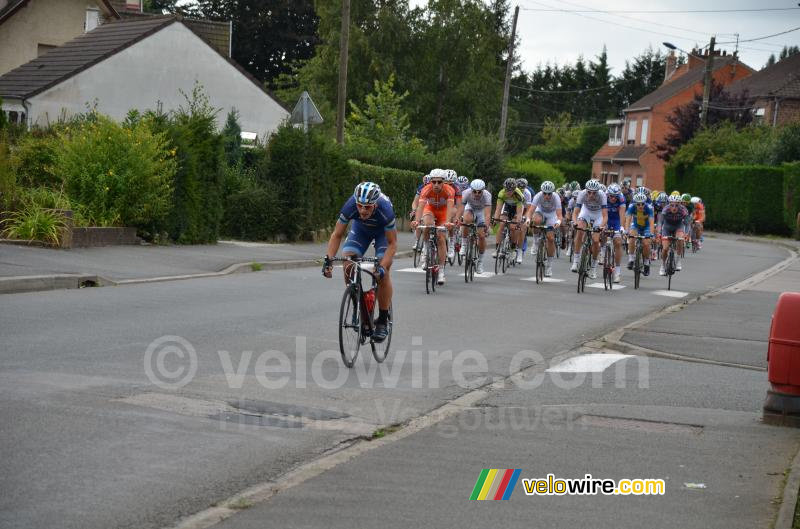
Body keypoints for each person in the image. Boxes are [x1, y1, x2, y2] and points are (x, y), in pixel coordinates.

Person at [323, 182, 397, 342]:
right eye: (360, 206)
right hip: (360, 231)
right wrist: (328, 259)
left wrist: (383, 267)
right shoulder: (350, 206)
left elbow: (392, 244)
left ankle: (383, 321)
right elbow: (337, 235)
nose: (363, 210)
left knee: (382, 273)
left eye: (368, 207)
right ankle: (358, 303)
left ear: (375, 205)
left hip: (382, 234)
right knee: (348, 260)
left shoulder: (385, 210)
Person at [411, 172, 455, 284]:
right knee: (427, 224)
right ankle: (425, 250)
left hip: (443, 212)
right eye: (433, 182)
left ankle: (441, 271)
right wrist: (416, 221)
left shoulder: (449, 190)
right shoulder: (426, 189)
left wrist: (448, 222)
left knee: (441, 237)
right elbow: (420, 207)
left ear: (443, 182)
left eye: (439, 182)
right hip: (430, 209)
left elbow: (450, 208)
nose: (436, 184)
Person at [571, 179, 607, 279]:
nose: (591, 195)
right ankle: (576, 261)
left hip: (598, 215)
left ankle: (594, 267)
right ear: (586, 190)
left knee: (596, 240)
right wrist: (575, 222)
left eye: (594, 193)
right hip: (586, 211)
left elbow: (605, 216)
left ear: (597, 191)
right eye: (589, 192)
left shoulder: (602, 195)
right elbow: (575, 212)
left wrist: (601, 227)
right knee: (579, 231)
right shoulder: (582, 194)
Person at [457, 178, 492, 274]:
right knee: (466, 220)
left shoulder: (487, 195)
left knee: (481, 236)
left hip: (481, 211)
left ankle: (480, 262)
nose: (477, 194)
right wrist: (458, 219)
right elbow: (461, 208)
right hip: (470, 208)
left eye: (479, 192)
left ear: (483, 190)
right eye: (474, 192)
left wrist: (486, 226)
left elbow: (487, 214)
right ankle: (464, 244)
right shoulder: (466, 193)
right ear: (471, 190)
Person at [530, 180, 563, 277]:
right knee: (536, 221)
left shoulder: (556, 198)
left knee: (550, 238)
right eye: (545, 193)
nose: (547, 196)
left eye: (549, 194)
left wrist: (558, 222)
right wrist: (528, 219)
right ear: (542, 192)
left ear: (552, 193)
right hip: (540, 212)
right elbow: (530, 211)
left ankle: (549, 265)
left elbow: (560, 215)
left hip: (552, 215)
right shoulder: (538, 196)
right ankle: (536, 242)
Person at [493, 178, 525, 260]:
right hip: (506, 207)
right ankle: (497, 249)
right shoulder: (501, 193)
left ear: (514, 189)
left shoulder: (518, 195)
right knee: (502, 224)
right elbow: (498, 209)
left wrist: (518, 222)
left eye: (511, 190)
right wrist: (495, 219)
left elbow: (519, 212)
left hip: (516, 209)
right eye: (507, 190)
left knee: (513, 227)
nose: (508, 192)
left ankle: (513, 249)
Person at [624, 192, 655, 276]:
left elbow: (652, 222)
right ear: (635, 204)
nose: (640, 206)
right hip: (636, 226)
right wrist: (626, 231)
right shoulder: (631, 207)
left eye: (642, 204)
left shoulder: (649, 208)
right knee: (631, 237)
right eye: (638, 204)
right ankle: (631, 259)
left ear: (645, 203)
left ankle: (646, 263)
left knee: (646, 243)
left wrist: (651, 234)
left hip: (646, 227)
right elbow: (628, 219)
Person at [658, 195, 689, 275]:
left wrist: (686, 234)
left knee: (680, 239)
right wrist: (658, 233)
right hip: (667, 227)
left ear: (680, 205)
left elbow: (687, 224)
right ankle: (663, 265)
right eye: (672, 205)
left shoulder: (683, 210)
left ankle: (678, 260)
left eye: (676, 205)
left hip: (678, 226)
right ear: (669, 204)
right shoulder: (665, 209)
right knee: (665, 248)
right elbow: (660, 222)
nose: (674, 207)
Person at [604, 183, 626, 283]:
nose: (613, 198)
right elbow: (601, 213)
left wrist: (621, 227)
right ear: (608, 194)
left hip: (616, 220)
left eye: (615, 197)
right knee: (601, 233)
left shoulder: (621, 198)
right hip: (606, 218)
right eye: (611, 196)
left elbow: (622, 214)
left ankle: (617, 272)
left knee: (618, 242)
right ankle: (602, 251)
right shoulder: (604, 196)